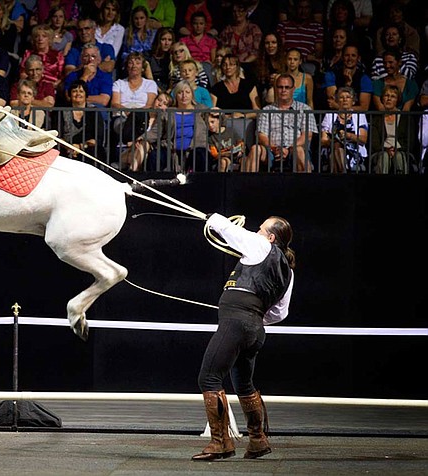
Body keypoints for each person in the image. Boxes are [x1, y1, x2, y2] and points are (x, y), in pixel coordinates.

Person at [192, 211, 295, 462]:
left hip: (237, 324)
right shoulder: (288, 272)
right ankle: (257, 440)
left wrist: (213, 218)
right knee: (244, 385)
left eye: (260, 229)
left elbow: (231, 232)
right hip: (254, 329)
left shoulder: (261, 245)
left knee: (209, 378)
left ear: (270, 237)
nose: (256, 232)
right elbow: (280, 313)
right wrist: (254, 315)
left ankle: (221, 442)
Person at [244, 73, 317, 172]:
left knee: (299, 150)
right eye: (280, 87)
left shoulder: (304, 109)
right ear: (276, 89)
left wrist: (290, 148)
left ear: (293, 89)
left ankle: (306, 185)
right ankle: (248, 185)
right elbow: (262, 136)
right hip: (272, 150)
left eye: (287, 87)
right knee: (255, 149)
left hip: (294, 149)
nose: (283, 90)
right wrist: (274, 148)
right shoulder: (266, 110)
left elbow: (307, 135)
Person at [110, 52, 158, 166]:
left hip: (143, 118)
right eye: (131, 63)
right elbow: (115, 103)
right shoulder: (119, 83)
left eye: (137, 62)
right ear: (127, 66)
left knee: (140, 118)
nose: (134, 65)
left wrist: (135, 114)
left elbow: (149, 105)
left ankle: (127, 164)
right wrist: (129, 113)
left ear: (143, 67)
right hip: (122, 118)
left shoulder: (150, 84)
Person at [209, 53, 260, 146]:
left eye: (231, 64)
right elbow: (212, 112)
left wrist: (243, 116)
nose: (228, 67)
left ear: (237, 66)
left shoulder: (249, 85)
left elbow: (257, 111)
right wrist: (226, 116)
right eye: (225, 64)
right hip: (225, 125)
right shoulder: (216, 88)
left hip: (246, 123)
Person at [320, 86, 368, 173]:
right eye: (341, 97)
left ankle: (340, 178)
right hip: (331, 149)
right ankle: (344, 174)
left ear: (353, 101)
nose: (345, 99)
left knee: (333, 156)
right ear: (338, 101)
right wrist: (332, 140)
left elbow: (363, 139)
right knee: (336, 146)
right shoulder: (329, 116)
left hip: (354, 152)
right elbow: (323, 140)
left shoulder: (360, 116)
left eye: (348, 97)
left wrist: (348, 135)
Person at [124, 91, 174, 171]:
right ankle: (133, 171)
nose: (160, 104)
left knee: (145, 144)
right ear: (154, 100)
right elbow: (126, 136)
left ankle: (132, 171)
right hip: (131, 148)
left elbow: (160, 137)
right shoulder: (139, 114)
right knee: (143, 145)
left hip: (151, 149)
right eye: (159, 100)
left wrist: (141, 140)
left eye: (165, 103)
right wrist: (135, 142)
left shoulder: (165, 121)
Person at [58, 79, 106, 163]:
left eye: (81, 91)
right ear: (70, 94)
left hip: (88, 148)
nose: (78, 94)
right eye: (74, 91)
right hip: (66, 148)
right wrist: (70, 147)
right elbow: (57, 135)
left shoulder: (93, 111)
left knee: (96, 152)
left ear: (86, 94)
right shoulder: (62, 111)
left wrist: (80, 146)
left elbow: (98, 137)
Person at [369, 84, 414, 174]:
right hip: (381, 152)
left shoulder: (406, 118)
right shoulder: (376, 119)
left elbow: (410, 141)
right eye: (386, 96)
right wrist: (386, 150)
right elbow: (374, 143)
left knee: (398, 156)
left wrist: (396, 150)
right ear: (382, 99)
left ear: (397, 100)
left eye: (393, 96)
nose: (389, 99)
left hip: (402, 151)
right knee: (384, 156)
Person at [276, 0, 323, 74]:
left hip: (307, 64)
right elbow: (280, 48)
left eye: (306, 8)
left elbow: (318, 52)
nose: (303, 11)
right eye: (300, 7)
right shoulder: (283, 26)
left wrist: (309, 58)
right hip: (287, 62)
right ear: (294, 9)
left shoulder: (317, 27)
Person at [217, 1, 262, 78]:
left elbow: (256, 52)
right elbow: (223, 50)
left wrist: (241, 64)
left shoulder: (254, 29)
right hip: (230, 67)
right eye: (234, 11)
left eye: (240, 11)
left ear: (245, 12)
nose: (237, 14)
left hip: (250, 66)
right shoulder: (227, 31)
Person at [172, 79, 208, 173]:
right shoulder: (169, 112)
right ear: (176, 95)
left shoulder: (201, 109)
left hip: (196, 148)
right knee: (155, 155)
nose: (184, 96)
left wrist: (222, 122)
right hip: (172, 148)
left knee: (199, 154)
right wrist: (143, 138)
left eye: (187, 92)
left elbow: (218, 119)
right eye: (180, 92)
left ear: (192, 94)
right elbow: (156, 131)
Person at [322, 44, 371, 111]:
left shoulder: (364, 78)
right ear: (342, 57)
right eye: (347, 55)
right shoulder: (331, 74)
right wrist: (347, 84)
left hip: (356, 118)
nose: (349, 58)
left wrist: (339, 107)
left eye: (353, 55)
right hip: (334, 116)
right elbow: (333, 100)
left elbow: (364, 108)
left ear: (358, 58)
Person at [63, 43, 112, 108]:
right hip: (75, 109)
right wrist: (85, 76)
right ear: (81, 59)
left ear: (99, 60)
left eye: (93, 56)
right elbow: (69, 98)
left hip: (97, 111)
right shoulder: (72, 76)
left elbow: (104, 100)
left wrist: (80, 98)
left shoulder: (105, 77)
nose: (90, 60)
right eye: (86, 56)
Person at [19, 24, 65, 91]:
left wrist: (53, 85)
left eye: (44, 36)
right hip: (32, 87)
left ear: (49, 39)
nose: (40, 39)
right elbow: (23, 73)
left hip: (52, 87)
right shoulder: (28, 53)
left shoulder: (58, 55)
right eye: (37, 36)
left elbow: (62, 76)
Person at [117, 6, 156, 71]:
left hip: (148, 66)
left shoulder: (152, 34)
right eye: (136, 18)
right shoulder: (127, 33)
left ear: (146, 18)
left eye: (141, 18)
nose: (139, 21)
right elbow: (124, 53)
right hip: (132, 66)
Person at [255, 31, 286, 106]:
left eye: (274, 42)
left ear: (278, 44)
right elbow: (257, 87)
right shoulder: (258, 63)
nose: (270, 45)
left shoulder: (286, 61)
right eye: (267, 43)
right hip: (265, 97)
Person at [143, 27, 173, 93]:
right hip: (151, 88)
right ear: (158, 40)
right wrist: (161, 93)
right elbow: (150, 79)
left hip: (168, 90)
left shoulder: (172, 57)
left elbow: (173, 79)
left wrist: (167, 93)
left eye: (169, 40)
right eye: (163, 39)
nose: (167, 43)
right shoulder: (147, 55)